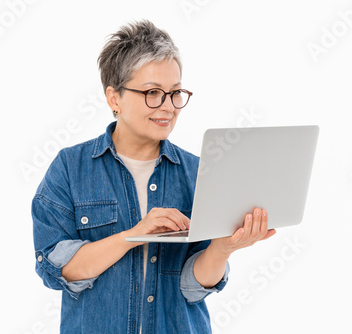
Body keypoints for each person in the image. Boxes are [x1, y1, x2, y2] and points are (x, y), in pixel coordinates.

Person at [32, 20, 275, 334]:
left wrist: (222, 248)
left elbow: (192, 287)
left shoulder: (199, 171)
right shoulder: (70, 167)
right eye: (152, 93)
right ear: (114, 98)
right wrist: (133, 235)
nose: (168, 107)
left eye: (175, 93)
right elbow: (57, 269)